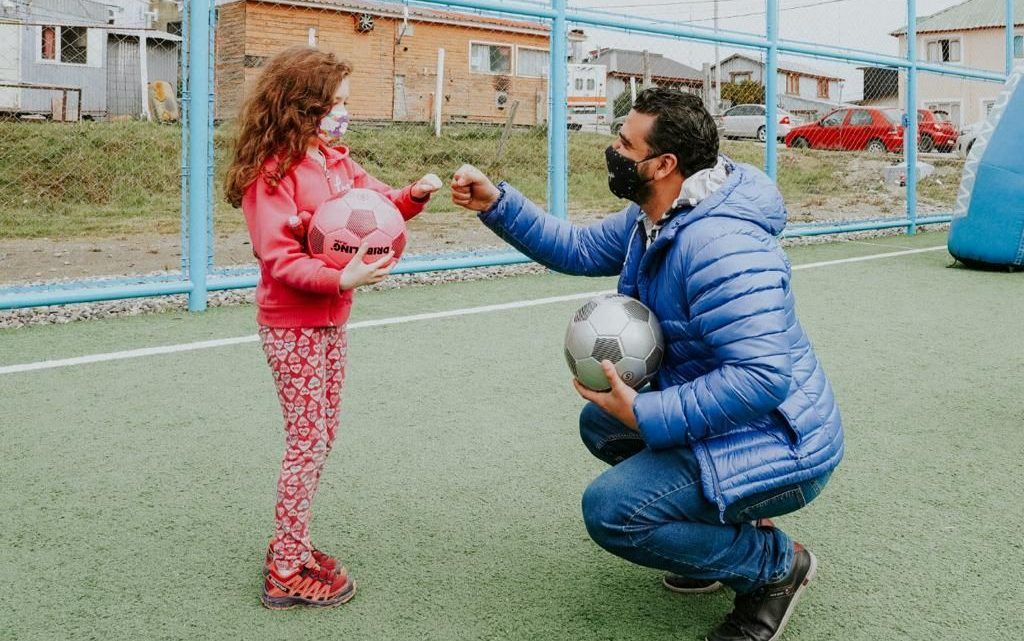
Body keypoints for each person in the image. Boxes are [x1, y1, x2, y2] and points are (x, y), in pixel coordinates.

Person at [450, 88, 843, 641]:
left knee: (611, 512)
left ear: (663, 164)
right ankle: (722, 535)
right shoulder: (660, 212)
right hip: (734, 419)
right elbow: (580, 248)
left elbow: (763, 377)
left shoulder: (721, 247)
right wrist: (497, 203)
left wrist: (649, 411)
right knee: (601, 424)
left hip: (783, 440)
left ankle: (774, 567)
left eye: (624, 143)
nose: (613, 149)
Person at [224, 46, 441, 609]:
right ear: (302, 106)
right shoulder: (271, 173)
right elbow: (278, 259)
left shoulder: (337, 162)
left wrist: (412, 197)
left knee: (323, 435)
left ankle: (294, 541)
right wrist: (341, 279)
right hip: (292, 325)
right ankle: (285, 568)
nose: (344, 111)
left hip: (330, 323)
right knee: (307, 441)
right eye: (336, 102)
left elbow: (377, 204)